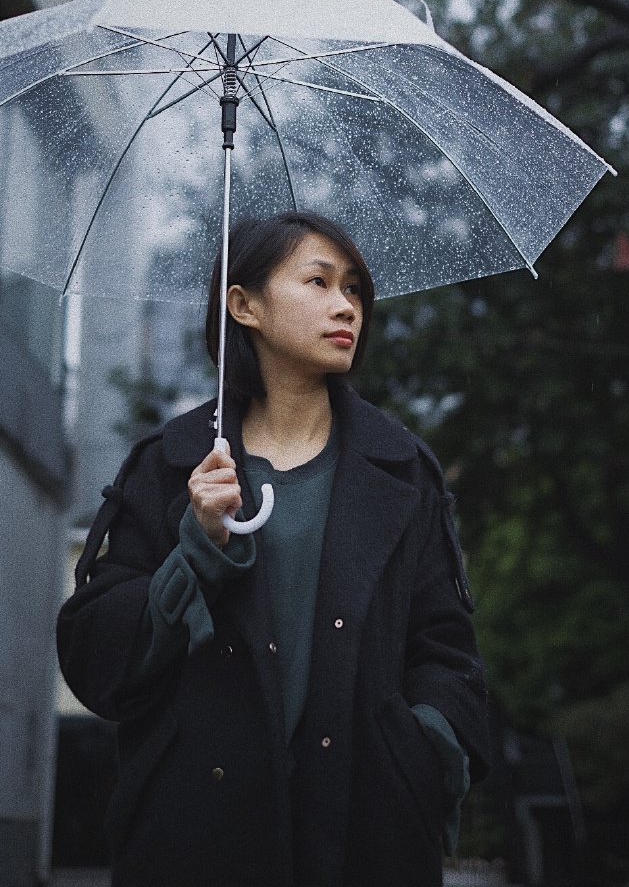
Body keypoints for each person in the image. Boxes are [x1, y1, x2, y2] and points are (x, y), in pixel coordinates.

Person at [57, 211, 490, 887]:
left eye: (354, 289)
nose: (346, 306)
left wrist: (418, 755)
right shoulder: (169, 465)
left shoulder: (404, 470)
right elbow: (96, 660)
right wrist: (196, 547)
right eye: (319, 282)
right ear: (244, 305)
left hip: (366, 834)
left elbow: (446, 652)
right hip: (195, 839)